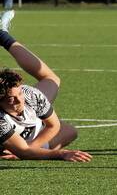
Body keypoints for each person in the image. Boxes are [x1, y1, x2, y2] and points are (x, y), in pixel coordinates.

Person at [0, 11, 92, 162]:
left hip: (28, 137)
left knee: (51, 79)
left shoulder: (30, 95)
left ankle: (3, 36)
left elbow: (53, 126)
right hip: (13, 138)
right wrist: (61, 154)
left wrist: (30, 147)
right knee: (69, 132)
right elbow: (24, 152)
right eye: (11, 99)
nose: (19, 101)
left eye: (19, 94)